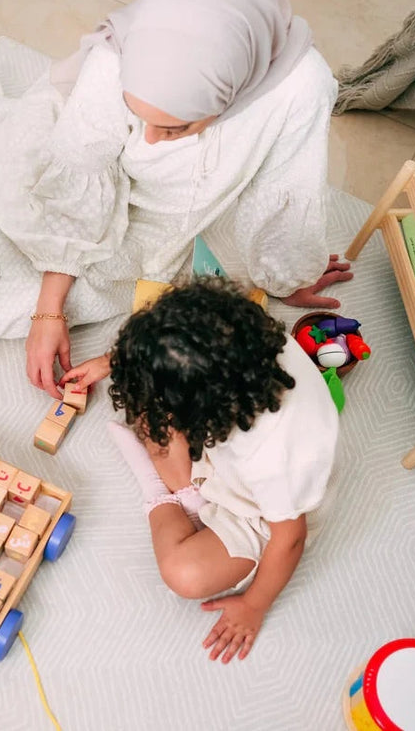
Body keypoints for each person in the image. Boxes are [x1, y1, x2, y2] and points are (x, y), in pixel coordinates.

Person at [24, 0, 352, 398]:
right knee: (16, 298)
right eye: (139, 118)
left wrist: (285, 275)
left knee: (208, 331)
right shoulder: (116, 58)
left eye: (175, 129)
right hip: (112, 204)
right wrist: (48, 308)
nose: (150, 141)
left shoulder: (303, 87)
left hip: (200, 219)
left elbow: (286, 193)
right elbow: (82, 175)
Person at [60, 277, 339, 662]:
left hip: (256, 509)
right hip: (223, 446)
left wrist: (255, 605)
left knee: (184, 575)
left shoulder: (278, 457)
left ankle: (157, 490)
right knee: (147, 412)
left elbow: (290, 538)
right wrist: (120, 360)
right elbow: (175, 341)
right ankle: (190, 496)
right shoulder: (232, 338)